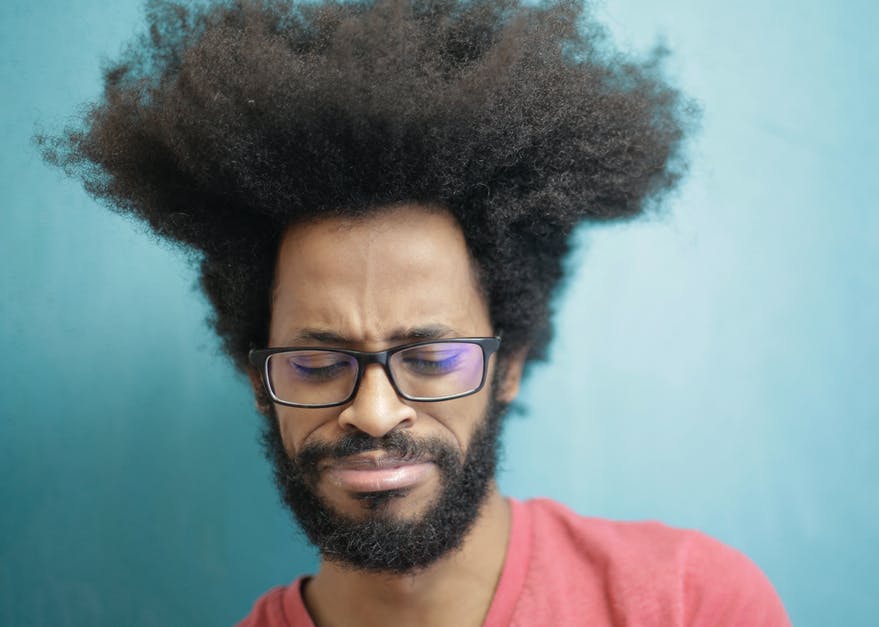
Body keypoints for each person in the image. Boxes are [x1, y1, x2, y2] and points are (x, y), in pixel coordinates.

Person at [40, 0, 791, 624]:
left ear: (510, 367)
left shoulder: (692, 603)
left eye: (429, 358)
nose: (373, 410)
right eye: (315, 360)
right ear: (258, 379)